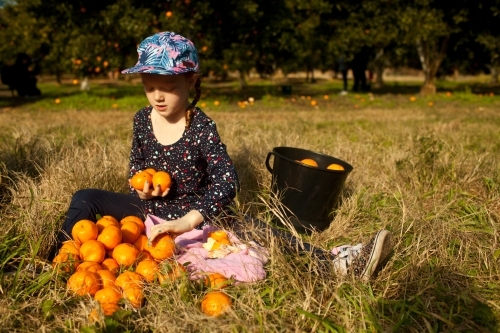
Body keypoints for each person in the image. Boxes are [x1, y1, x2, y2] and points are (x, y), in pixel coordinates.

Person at [51, 32, 392, 280]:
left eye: (168, 86)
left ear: (190, 83)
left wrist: (189, 221)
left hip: (199, 213)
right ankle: (60, 258)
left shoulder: (200, 126)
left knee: (256, 229)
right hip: (149, 211)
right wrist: (142, 188)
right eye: (149, 84)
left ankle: (334, 263)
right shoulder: (142, 119)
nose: (157, 95)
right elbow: (137, 166)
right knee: (86, 198)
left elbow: (227, 180)